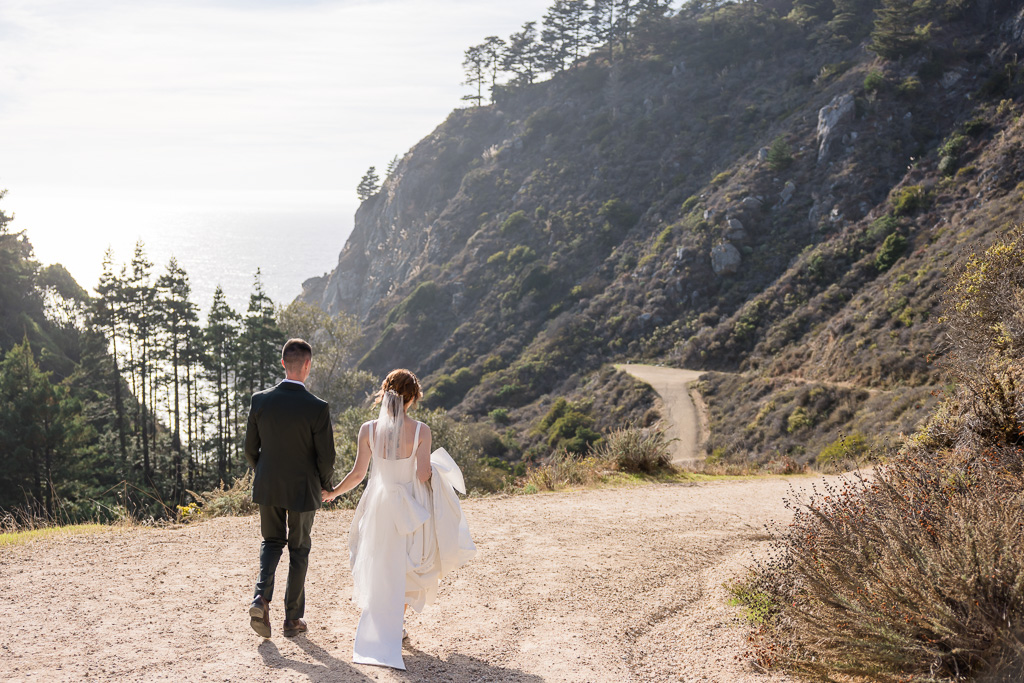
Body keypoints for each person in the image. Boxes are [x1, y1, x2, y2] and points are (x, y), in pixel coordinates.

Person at [322, 368, 476, 670]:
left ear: (385, 393)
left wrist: (334, 493)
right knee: (409, 563)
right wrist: (435, 470)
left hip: (378, 504)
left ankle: (386, 623)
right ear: (413, 397)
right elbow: (422, 474)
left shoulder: (367, 429)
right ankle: (397, 623)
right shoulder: (421, 431)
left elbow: (357, 474)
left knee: (380, 562)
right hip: (409, 507)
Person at [244, 338, 336, 639]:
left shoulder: (260, 400)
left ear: (283, 362)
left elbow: (249, 449)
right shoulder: (318, 408)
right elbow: (327, 457)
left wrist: (265, 472)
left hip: (268, 485)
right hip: (303, 489)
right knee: (299, 550)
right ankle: (292, 620)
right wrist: (326, 485)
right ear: (307, 365)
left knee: (271, 542)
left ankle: (261, 599)